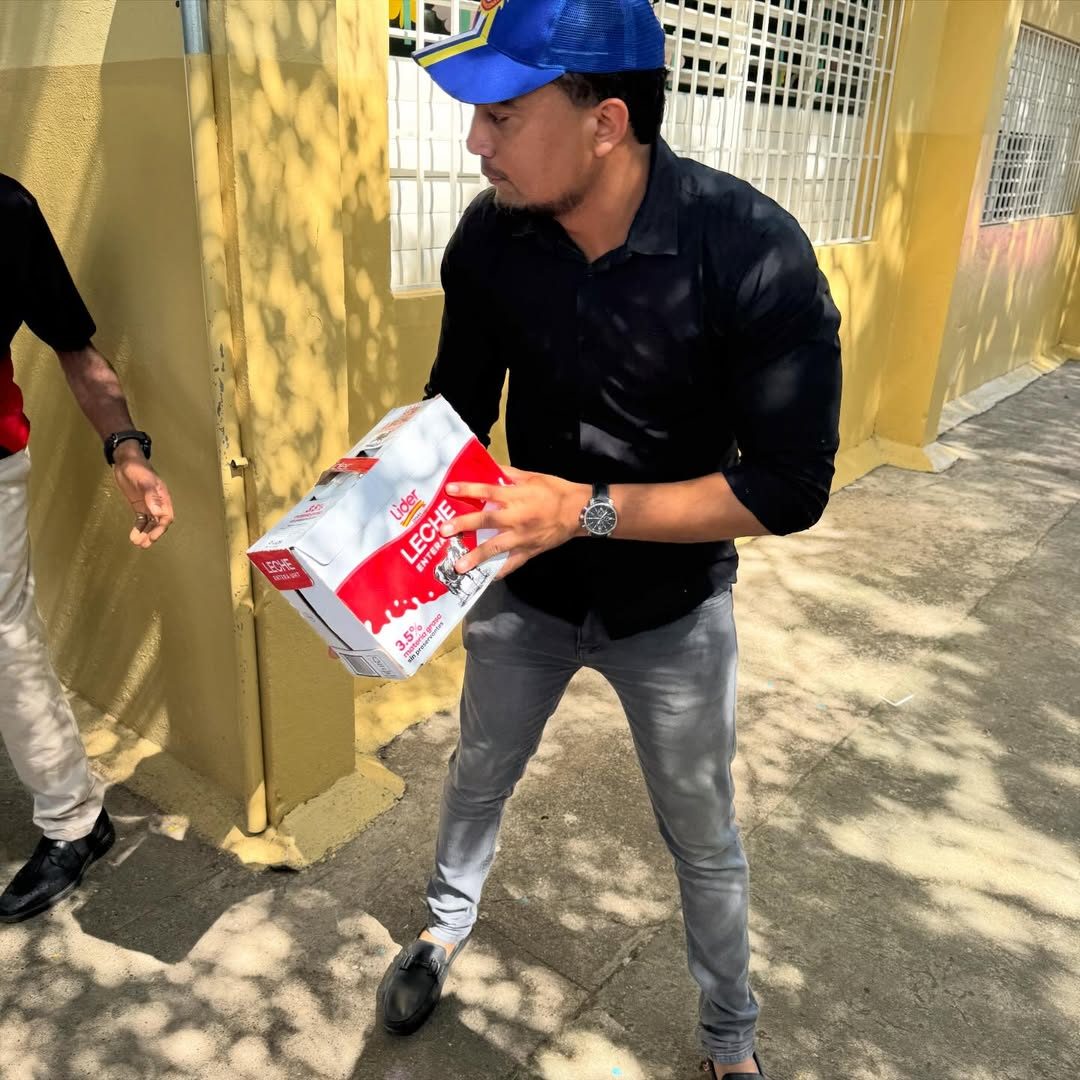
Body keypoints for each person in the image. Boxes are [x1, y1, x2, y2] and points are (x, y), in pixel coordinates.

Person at [379, 1, 841, 1075]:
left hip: (672, 613)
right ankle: (442, 930)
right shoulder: (494, 238)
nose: (475, 141)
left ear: (605, 122)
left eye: (502, 113)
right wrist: (366, 519)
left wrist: (582, 509)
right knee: (478, 772)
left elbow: (790, 487)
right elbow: (455, 413)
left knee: (703, 833)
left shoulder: (751, 250)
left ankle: (730, 1040)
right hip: (525, 591)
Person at [0, 173, 174, 923]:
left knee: (6, 644)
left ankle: (74, 820)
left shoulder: (5, 211)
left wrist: (126, 448)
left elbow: (73, 344)